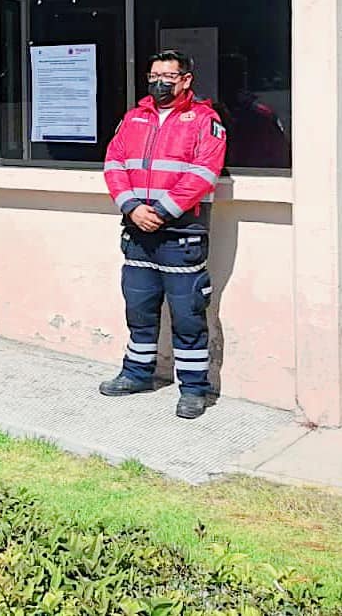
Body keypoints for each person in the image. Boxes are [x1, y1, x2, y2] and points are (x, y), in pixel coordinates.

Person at [99, 50, 227, 420]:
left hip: (181, 234)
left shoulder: (205, 121)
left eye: (167, 76)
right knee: (139, 309)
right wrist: (132, 208)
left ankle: (194, 389)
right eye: (153, 75)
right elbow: (113, 163)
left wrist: (162, 212)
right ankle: (137, 373)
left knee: (188, 315)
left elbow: (204, 173)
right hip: (137, 232)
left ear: (185, 79)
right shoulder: (133, 118)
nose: (159, 82)